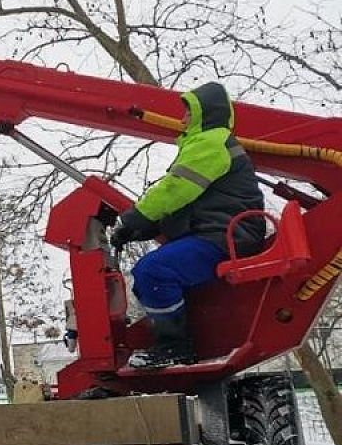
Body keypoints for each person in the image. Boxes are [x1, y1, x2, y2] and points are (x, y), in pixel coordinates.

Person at [111, 82, 264, 368]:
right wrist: (141, 229)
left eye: (187, 113)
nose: (182, 120)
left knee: (153, 271)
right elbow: (187, 206)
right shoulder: (205, 145)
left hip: (225, 236)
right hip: (217, 232)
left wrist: (135, 217)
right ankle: (173, 339)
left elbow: (176, 189)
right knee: (150, 276)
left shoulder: (211, 143)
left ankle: (175, 346)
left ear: (204, 113)